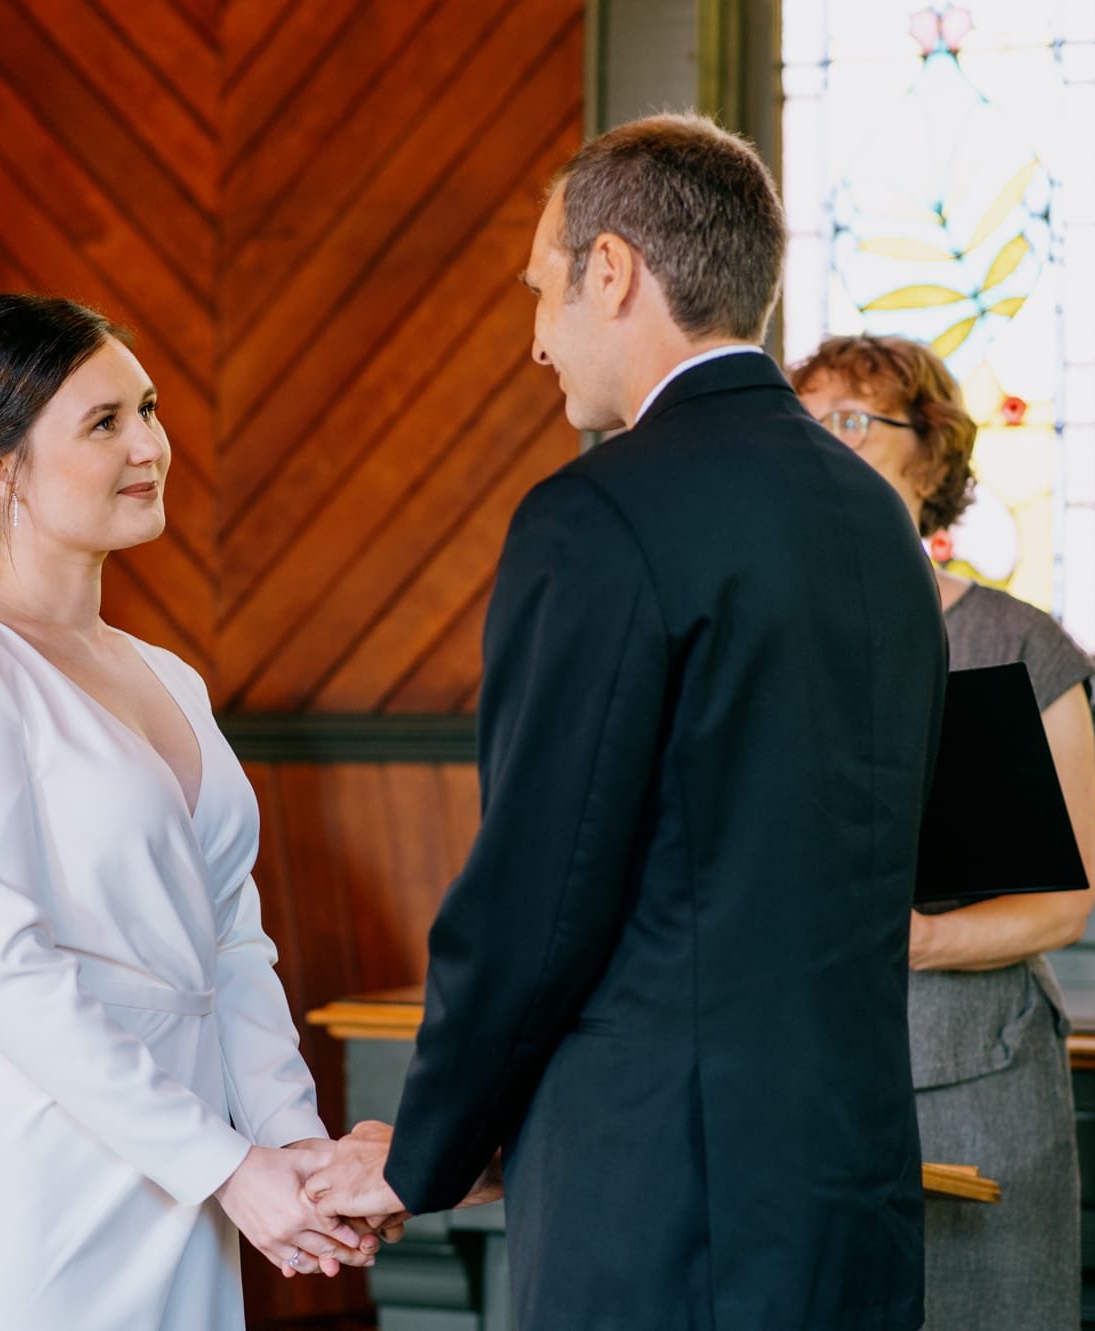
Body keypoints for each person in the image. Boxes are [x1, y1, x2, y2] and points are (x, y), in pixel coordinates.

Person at [307, 112, 947, 1328]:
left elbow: (537, 897)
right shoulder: (874, 520)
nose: (534, 338)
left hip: (662, 1192)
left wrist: (419, 1151)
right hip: (849, 1174)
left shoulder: (594, 515)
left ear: (610, 272)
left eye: (541, 288)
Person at [0, 294, 373, 1330]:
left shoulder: (169, 677)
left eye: (146, 408)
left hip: (180, 1182)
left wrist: (291, 1148)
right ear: (2, 469)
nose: (149, 444)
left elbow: (230, 942)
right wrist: (225, 1162)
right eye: (104, 423)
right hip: (24, 1183)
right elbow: (2, 966)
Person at [794, 333, 1095, 1329]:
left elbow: (1064, 901)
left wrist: (922, 937)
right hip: (806, 1078)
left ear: (929, 454)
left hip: (982, 1077)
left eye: (851, 418)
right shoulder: (762, 640)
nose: (821, 442)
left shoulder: (1015, 644)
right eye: (805, 423)